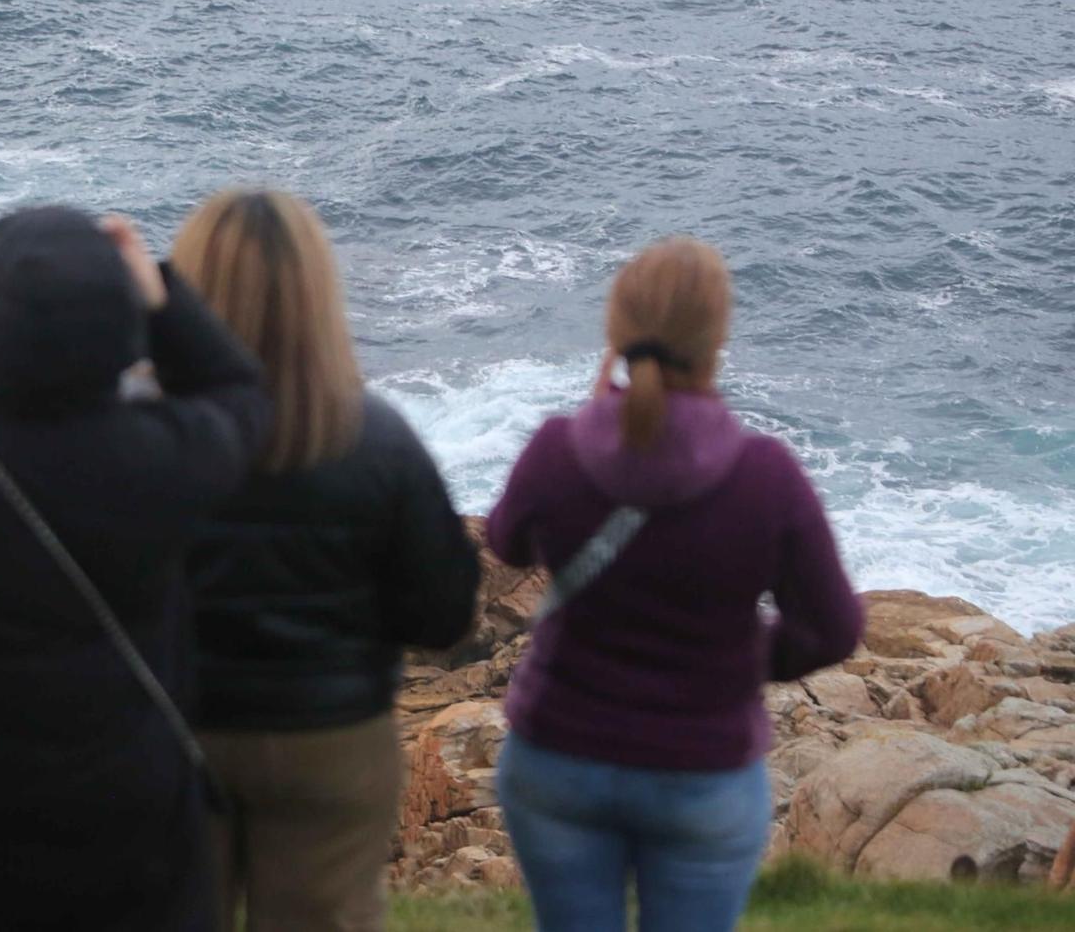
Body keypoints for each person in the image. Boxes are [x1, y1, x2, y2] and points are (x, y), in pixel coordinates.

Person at [0, 206, 272, 932]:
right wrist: (160, 292)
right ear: (120, 332)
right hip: (136, 853)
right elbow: (241, 394)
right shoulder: (168, 458)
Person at [487, 237, 864, 932]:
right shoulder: (767, 475)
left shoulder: (556, 448)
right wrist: (750, 656)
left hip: (558, 757)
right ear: (717, 338)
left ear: (616, 331)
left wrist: (590, 421)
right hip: (703, 767)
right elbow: (835, 626)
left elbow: (505, 540)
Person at [174, 188, 480, 932]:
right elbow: (444, 616)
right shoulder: (377, 439)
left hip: (169, 731)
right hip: (330, 737)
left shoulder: (144, 437)